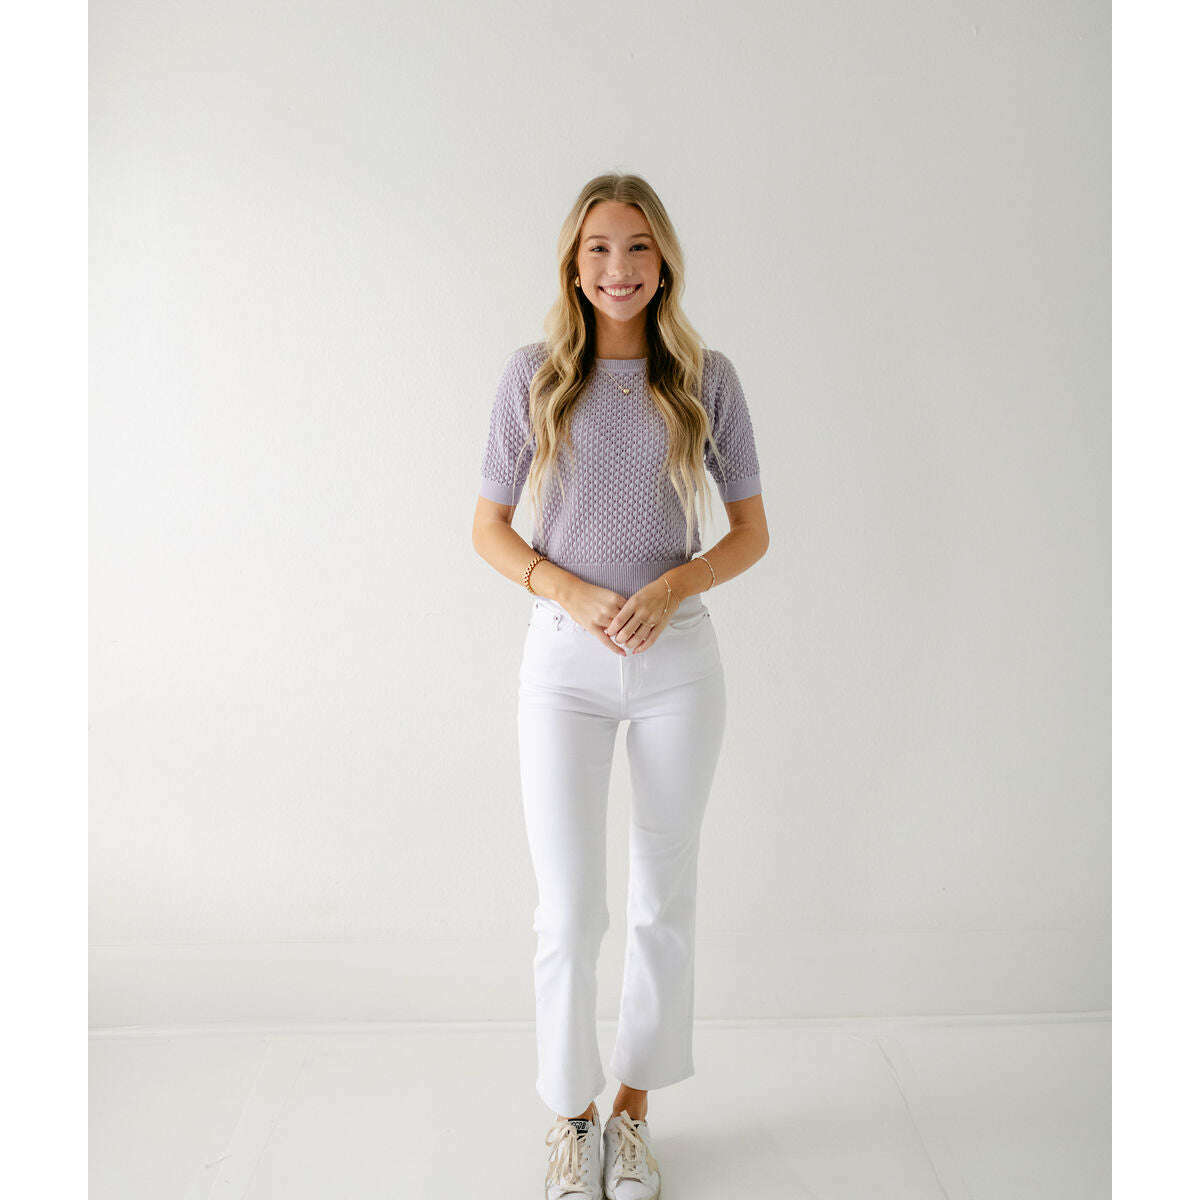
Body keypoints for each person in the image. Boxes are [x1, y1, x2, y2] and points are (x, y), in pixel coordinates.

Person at [471, 172, 769, 1200]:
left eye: (637, 246)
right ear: (574, 263)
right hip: (563, 663)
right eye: (598, 248)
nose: (618, 268)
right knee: (568, 911)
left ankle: (634, 1115)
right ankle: (572, 1118)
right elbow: (488, 528)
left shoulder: (706, 378)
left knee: (661, 900)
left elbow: (751, 531)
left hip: (677, 660)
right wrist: (567, 589)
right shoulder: (535, 376)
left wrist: (675, 583)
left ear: (663, 260)